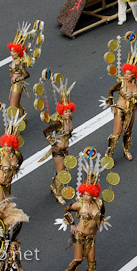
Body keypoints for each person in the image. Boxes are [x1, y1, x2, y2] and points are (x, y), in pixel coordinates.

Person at [43, 76, 76, 205]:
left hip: (66, 149)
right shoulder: (58, 122)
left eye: (69, 111)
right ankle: (58, 193)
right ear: (61, 111)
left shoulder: (69, 120)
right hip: (58, 150)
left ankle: (53, 185)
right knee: (61, 172)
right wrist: (53, 144)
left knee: (63, 170)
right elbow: (46, 131)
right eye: (66, 111)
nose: (68, 113)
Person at [105, 61, 137, 161]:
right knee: (117, 132)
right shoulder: (121, 83)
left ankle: (126, 150)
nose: (126, 76)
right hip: (120, 109)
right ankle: (109, 154)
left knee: (128, 132)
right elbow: (111, 91)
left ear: (134, 74)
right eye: (125, 73)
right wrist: (112, 105)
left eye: (129, 74)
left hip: (131, 110)